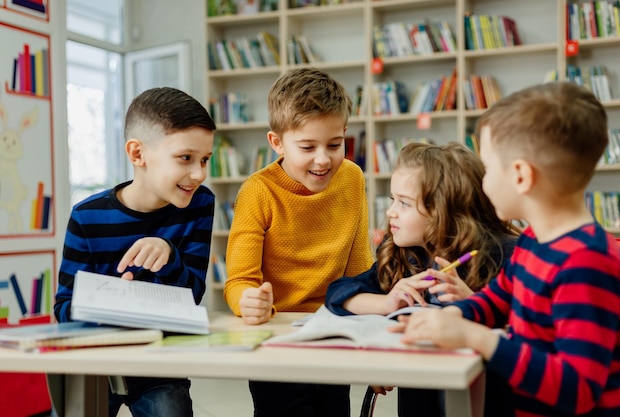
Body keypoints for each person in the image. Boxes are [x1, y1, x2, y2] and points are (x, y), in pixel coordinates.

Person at [395, 82, 620, 416]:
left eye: (488, 169)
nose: (483, 183)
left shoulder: (586, 261)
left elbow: (577, 388)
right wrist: (453, 315)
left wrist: (479, 339)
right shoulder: (534, 240)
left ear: (520, 176)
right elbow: (498, 298)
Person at [54, 87, 216, 417]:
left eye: (204, 160)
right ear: (137, 154)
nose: (199, 173)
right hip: (93, 365)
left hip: (158, 366)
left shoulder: (200, 205)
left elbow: (192, 295)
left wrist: (170, 257)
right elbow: (63, 308)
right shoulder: (87, 215)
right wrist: (110, 304)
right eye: (186, 158)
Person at [326, 141, 519, 417]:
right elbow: (338, 294)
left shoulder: (505, 255)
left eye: (404, 203)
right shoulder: (405, 256)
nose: (391, 211)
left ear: (446, 210)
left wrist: (474, 305)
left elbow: (527, 337)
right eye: (393, 200)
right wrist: (386, 302)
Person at [223, 67, 373, 417]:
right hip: (277, 342)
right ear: (276, 142)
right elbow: (240, 280)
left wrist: (372, 341)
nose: (324, 159)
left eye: (335, 145)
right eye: (307, 146)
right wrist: (248, 302)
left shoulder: (352, 178)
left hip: (333, 332)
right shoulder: (258, 192)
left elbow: (359, 271)